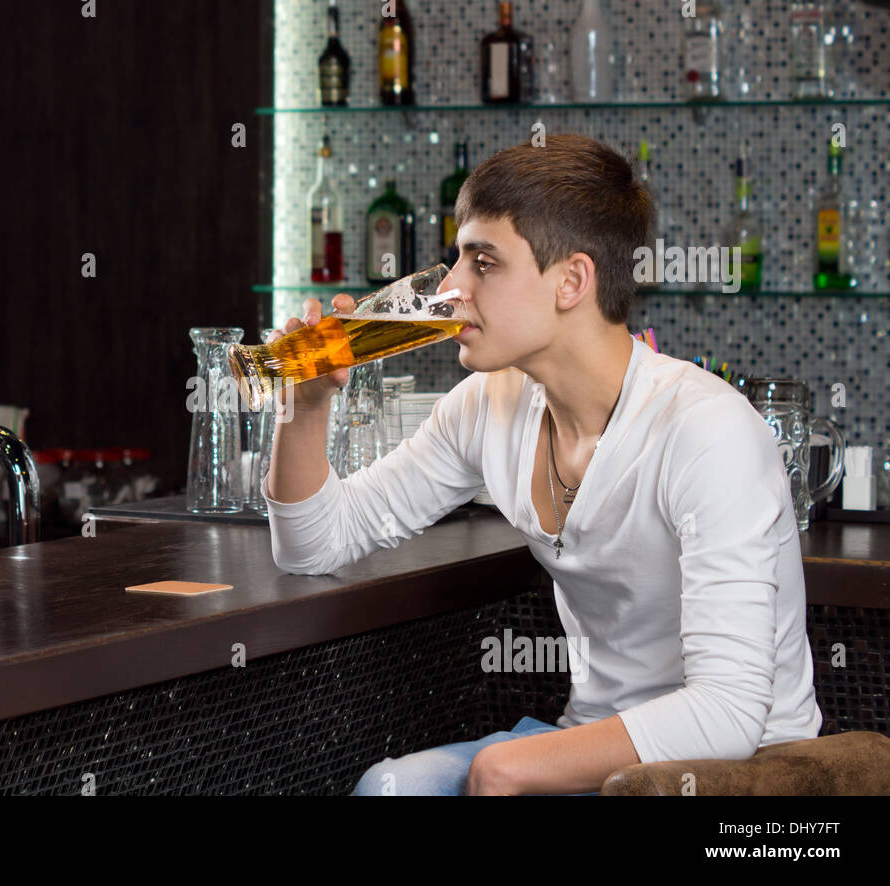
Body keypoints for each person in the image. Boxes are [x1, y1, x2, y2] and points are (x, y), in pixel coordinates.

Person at [261, 134, 822, 796]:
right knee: (390, 786)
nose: (450, 288)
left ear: (572, 281)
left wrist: (509, 767)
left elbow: (728, 715)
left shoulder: (708, 431)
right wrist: (303, 407)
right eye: (457, 259)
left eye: (484, 262)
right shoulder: (488, 406)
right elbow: (315, 545)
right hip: (589, 745)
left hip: (739, 774)